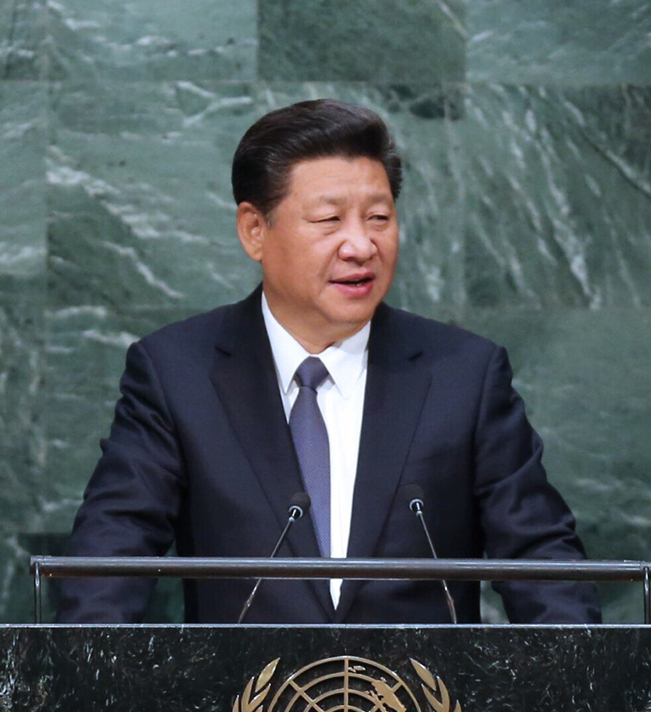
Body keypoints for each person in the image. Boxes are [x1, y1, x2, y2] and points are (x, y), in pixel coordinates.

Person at [57, 99, 600, 625]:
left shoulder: (464, 375)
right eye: (329, 219)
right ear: (254, 230)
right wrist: (76, 691)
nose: (361, 245)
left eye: (379, 217)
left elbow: (544, 566)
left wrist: (586, 688)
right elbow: (109, 564)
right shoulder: (177, 373)